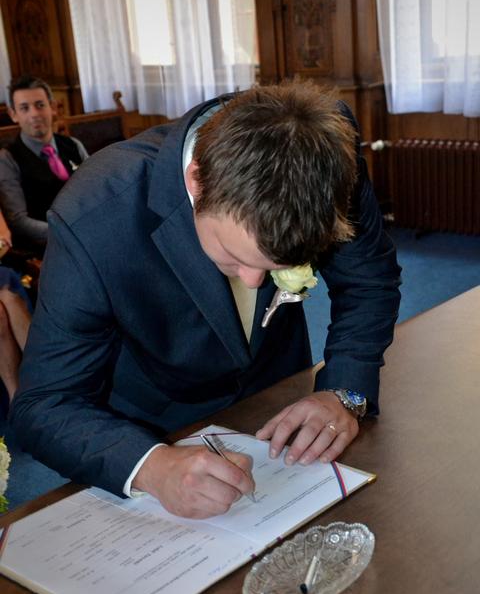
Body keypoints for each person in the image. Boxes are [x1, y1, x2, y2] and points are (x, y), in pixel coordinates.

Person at [11, 81, 401, 519]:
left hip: (281, 399)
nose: (254, 282)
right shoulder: (96, 214)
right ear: (197, 181)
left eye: (276, 268)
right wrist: (151, 466)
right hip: (161, 422)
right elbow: (44, 404)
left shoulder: (324, 147)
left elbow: (369, 279)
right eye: (235, 258)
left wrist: (343, 390)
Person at [0, 75, 88, 254]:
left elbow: (97, 190)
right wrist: (68, 235)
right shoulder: (7, 159)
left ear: (52, 107)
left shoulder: (73, 145)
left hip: (88, 231)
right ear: (13, 114)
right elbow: (18, 221)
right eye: (24, 108)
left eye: (40, 105)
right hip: (49, 248)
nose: (34, 114)